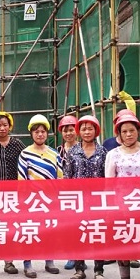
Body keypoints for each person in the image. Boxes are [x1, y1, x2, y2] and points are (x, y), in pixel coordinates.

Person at [104, 112, 140, 279]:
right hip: (122, 206)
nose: (128, 134)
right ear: (119, 134)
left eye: (131, 130)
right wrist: (110, 207)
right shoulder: (113, 154)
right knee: (123, 240)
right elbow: (109, 182)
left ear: (138, 131)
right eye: (124, 131)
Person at [63, 115, 108, 279]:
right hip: (78, 200)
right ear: (79, 131)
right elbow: (67, 176)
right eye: (83, 129)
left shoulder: (103, 152)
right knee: (78, 233)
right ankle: (79, 269)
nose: (87, 132)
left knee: (98, 232)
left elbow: (107, 176)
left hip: (97, 200)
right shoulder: (73, 152)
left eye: (90, 128)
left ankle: (99, 270)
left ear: (96, 130)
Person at [17, 114, 61, 278]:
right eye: (36, 132)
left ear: (47, 133)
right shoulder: (25, 154)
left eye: (43, 131)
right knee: (29, 231)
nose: (40, 134)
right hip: (32, 201)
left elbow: (60, 177)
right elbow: (22, 179)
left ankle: (49, 261)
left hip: (50, 200)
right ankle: (27, 264)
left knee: (49, 231)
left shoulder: (54, 154)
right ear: (31, 134)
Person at [0, 111, 25, 275]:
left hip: (13, 192)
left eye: (5, 125)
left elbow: (26, 160)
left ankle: (8, 261)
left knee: (10, 225)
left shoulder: (17, 144)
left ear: (10, 126)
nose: (2, 128)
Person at [56, 115, 80, 270]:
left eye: (71, 130)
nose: (68, 133)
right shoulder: (57, 151)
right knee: (68, 226)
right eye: (65, 131)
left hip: (79, 193)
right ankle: (71, 255)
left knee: (79, 225)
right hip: (62, 193)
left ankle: (79, 256)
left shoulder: (81, 149)